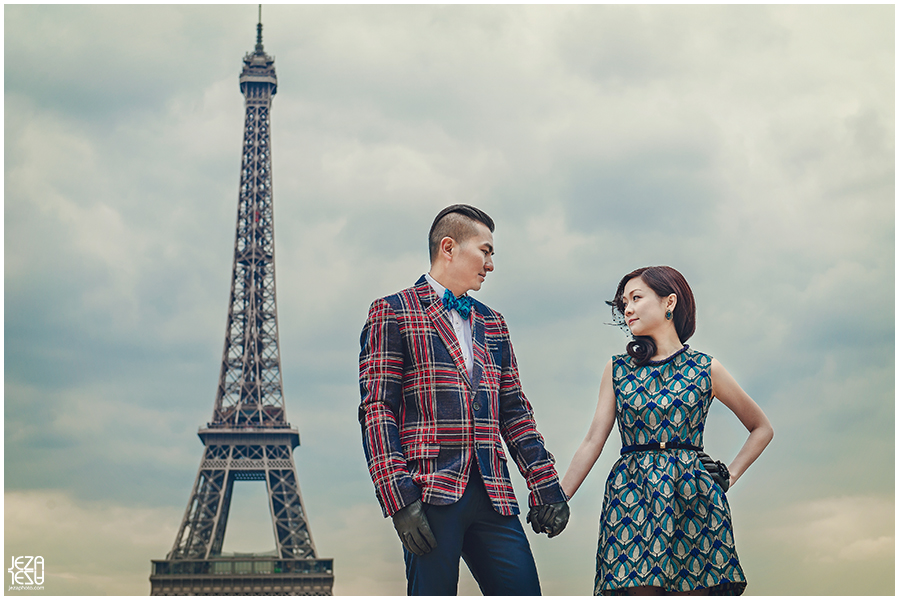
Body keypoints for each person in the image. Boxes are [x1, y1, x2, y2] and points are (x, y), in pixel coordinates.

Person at [358, 204, 570, 596]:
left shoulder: (493, 323)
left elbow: (515, 413)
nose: (490, 264)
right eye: (485, 251)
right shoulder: (392, 312)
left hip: (494, 495)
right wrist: (398, 499)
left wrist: (546, 486)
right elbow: (378, 411)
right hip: (429, 494)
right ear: (449, 247)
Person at [561, 266, 773, 595]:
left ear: (668, 302)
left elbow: (761, 428)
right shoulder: (617, 369)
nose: (627, 308)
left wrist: (729, 476)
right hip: (630, 498)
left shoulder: (706, 368)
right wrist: (558, 498)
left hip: (694, 497)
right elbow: (593, 441)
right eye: (623, 303)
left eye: (636, 298)